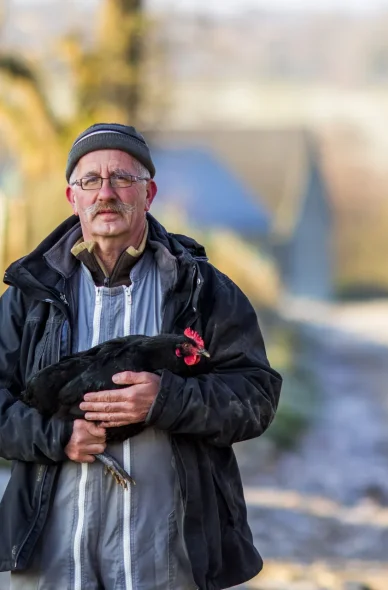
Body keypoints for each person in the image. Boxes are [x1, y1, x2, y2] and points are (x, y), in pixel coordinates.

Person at [0, 123, 282, 590]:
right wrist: (57, 436)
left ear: (149, 193)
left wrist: (166, 399)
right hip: (52, 558)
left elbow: (256, 398)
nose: (105, 193)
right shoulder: (28, 300)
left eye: (122, 179)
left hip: (168, 559)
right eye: (90, 180)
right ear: (73, 198)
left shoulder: (201, 291)